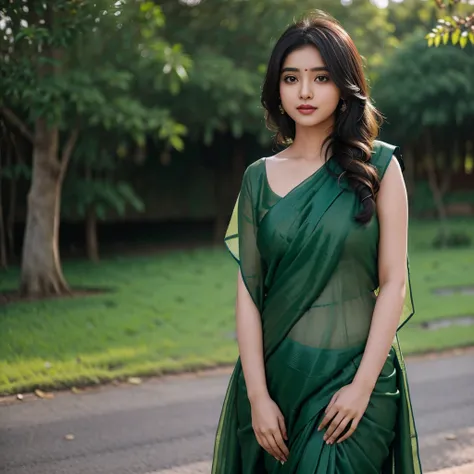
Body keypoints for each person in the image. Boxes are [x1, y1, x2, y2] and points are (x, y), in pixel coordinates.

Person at [212, 11, 422, 474]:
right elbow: (249, 293)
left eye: (320, 78)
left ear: (343, 85)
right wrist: (257, 396)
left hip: (356, 385)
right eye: (292, 78)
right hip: (277, 384)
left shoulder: (380, 169)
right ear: (277, 88)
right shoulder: (258, 180)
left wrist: (362, 387)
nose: (304, 92)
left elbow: (393, 284)